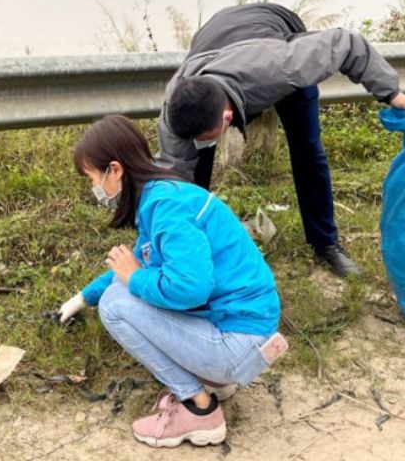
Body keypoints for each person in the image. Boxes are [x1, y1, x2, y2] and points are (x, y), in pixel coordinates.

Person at [57, 115, 284, 447]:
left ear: (115, 170)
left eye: (92, 178)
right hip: (245, 330)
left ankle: (198, 407)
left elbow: (191, 287)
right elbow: (134, 265)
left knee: (115, 306)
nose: (94, 189)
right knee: (119, 291)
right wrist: (82, 298)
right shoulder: (160, 197)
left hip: (238, 343)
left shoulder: (166, 208)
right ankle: (213, 380)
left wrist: (134, 279)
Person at [157, 3, 405, 278]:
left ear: (227, 117)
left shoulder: (283, 65)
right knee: (195, 163)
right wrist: (166, 232)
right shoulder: (177, 107)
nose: (199, 141)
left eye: (208, 135)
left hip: (273, 34)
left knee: (307, 149)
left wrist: (391, 93)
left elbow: (346, 42)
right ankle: (196, 240)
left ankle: (326, 244)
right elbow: (174, 177)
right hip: (216, 36)